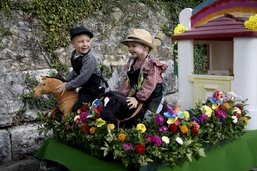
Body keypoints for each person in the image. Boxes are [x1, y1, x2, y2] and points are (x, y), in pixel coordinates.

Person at [118, 29, 168, 117]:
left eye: (133, 46)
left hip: (153, 95)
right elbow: (128, 82)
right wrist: (121, 95)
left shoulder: (152, 64)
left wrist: (137, 98)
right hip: (139, 93)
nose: (130, 49)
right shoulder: (132, 62)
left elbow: (150, 84)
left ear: (145, 48)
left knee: (149, 117)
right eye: (129, 46)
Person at [56, 26, 106, 111]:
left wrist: (68, 85)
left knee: (79, 107)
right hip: (86, 87)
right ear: (73, 43)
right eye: (81, 41)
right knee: (74, 98)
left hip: (95, 88)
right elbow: (75, 71)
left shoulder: (89, 58)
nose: (85, 44)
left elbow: (83, 77)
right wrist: (66, 81)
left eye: (88, 41)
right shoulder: (75, 55)